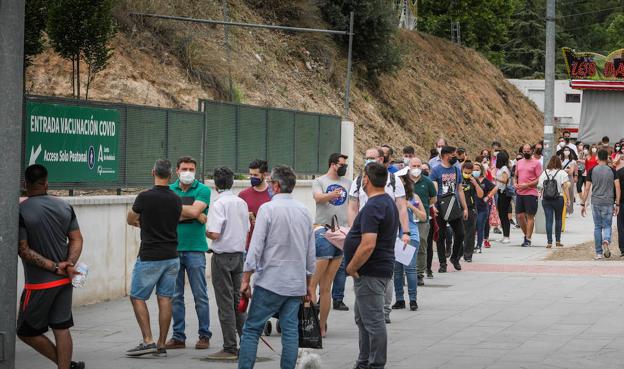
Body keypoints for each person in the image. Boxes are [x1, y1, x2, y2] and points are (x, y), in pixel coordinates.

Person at [238, 166, 315, 369]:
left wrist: (245, 279)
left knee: (252, 329)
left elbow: (255, 247)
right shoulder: (305, 211)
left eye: (271, 182)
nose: (270, 185)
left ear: (277, 185)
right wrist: (308, 284)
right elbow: (310, 253)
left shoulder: (267, 209)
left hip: (270, 281)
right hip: (295, 283)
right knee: (290, 331)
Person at [17, 164, 85, 369]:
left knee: (25, 331)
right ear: (46, 183)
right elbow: (77, 239)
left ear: (24, 184)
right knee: (61, 328)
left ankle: (66, 365)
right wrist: (69, 264)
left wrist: (56, 267)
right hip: (65, 279)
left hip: (39, 285)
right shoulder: (64, 206)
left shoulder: (20, 210)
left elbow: (24, 250)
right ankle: (67, 366)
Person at [344, 162, 399, 369]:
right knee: (363, 318)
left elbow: (368, 244)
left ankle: (375, 364)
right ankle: (364, 361)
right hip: (376, 270)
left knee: (374, 322)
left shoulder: (375, 206)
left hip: (370, 272)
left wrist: (351, 267)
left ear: (366, 179)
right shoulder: (386, 202)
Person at [126, 159, 182, 357]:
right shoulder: (176, 199)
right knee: (165, 298)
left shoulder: (144, 197)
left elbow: (130, 218)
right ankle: (161, 344)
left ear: (153, 172)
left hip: (150, 255)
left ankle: (148, 340)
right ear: (171, 175)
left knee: (137, 296)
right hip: (172, 256)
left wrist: (143, 224)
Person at [348, 147, 409, 324]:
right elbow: (352, 206)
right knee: (364, 268)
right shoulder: (359, 180)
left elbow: (401, 206)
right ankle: (365, 307)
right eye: (366, 157)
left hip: (386, 231)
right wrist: (353, 231)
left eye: (372, 158)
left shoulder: (393, 180)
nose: (368, 160)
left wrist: (405, 232)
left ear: (381, 159)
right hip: (364, 230)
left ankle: (384, 310)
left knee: (385, 270)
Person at [167, 156, 212, 350]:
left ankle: (204, 335)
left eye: (191, 169)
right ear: (177, 171)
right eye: (184, 168)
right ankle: (178, 336)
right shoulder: (168, 190)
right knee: (175, 296)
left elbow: (194, 213)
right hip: (173, 248)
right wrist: (193, 213)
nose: (188, 172)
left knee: (200, 294)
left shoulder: (203, 190)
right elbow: (193, 213)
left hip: (195, 249)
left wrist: (181, 212)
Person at [205, 167, 250, 360]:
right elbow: (246, 227)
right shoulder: (241, 202)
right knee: (238, 302)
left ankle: (230, 347)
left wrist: (206, 230)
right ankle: (247, 342)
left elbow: (215, 233)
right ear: (232, 182)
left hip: (222, 257)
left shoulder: (218, 204)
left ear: (215, 185)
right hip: (239, 256)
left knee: (224, 303)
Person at [311, 153, 352, 335]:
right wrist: (331, 195)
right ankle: (311, 321)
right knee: (313, 285)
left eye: (345, 164)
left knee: (326, 287)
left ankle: (321, 326)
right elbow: (318, 198)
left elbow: (352, 204)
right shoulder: (320, 181)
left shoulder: (348, 183)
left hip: (341, 234)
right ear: (333, 164)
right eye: (341, 164)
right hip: (323, 231)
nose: (344, 167)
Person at [430, 146, 469, 272]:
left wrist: (465, 208)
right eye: (453, 154)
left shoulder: (457, 170)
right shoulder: (436, 171)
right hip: (440, 206)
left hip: (454, 205)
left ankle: (454, 257)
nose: (455, 157)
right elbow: (433, 191)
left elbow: (459, 190)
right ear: (446, 155)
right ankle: (442, 263)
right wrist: (433, 206)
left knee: (461, 233)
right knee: (440, 236)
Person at [393, 167, 427, 311]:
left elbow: (424, 217)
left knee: (410, 269)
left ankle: (413, 300)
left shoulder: (414, 197)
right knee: (397, 270)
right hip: (395, 236)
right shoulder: (392, 197)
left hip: (411, 235)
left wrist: (411, 207)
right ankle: (399, 299)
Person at [581, 149, 621, 259]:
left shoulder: (592, 170)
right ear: (607, 158)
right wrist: (617, 204)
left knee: (597, 227)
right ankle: (606, 240)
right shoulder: (612, 171)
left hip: (596, 202)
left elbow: (587, 188)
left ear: (598, 157)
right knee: (607, 225)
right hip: (608, 202)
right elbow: (617, 187)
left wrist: (583, 203)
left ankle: (598, 253)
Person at [409, 157, 437, 283]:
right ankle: (407, 271)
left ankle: (419, 273)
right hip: (407, 218)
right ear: (409, 166)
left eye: (418, 166)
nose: (416, 168)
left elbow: (433, 199)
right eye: (413, 166)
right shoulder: (404, 181)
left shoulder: (427, 182)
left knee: (421, 244)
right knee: (407, 245)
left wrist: (423, 206)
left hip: (422, 219)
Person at [239, 160, 272, 251]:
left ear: (264, 175)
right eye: (251, 175)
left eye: (256, 175)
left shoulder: (273, 195)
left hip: (268, 247)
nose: (252, 177)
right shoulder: (243, 195)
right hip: (249, 246)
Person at [538, 156, 570, 248]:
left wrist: (540, 197)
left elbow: (540, 186)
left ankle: (549, 242)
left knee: (549, 220)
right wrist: (568, 199)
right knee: (558, 219)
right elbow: (565, 187)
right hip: (558, 198)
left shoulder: (544, 173)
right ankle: (558, 241)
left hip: (546, 199)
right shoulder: (562, 172)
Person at [514, 144, 542, 247]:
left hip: (531, 192)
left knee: (530, 216)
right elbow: (515, 176)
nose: (526, 153)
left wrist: (528, 185)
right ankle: (526, 235)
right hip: (520, 192)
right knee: (520, 216)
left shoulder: (537, 163)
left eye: (528, 151)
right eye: (524, 151)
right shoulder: (519, 162)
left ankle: (528, 239)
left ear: (532, 151)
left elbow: (539, 179)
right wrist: (514, 183)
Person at [461, 161, 484, 262]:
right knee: (459, 232)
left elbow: (480, 195)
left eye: (469, 173)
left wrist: (475, 184)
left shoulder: (474, 180)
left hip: (471, 208)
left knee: (470, 233)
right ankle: (458, 252)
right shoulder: (458, 179)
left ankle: (468, 255)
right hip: (459, 208)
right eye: (465, 172)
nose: (467, 174)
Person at [473, 162, 497, 253]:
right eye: (474, 169)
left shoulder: (485, 180)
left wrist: (488, 197)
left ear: (481, 170)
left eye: (477, 170)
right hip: (472, 207)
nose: (475, 171)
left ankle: (479, 246)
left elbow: (495, 188)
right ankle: (471, 245)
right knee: (472, 228)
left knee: (480, 226)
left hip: (482, 208)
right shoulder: (470, 180)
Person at [494, 151, 513, 244]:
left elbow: (505, 180)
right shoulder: (501, 168)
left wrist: (495, 178)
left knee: (504, 215)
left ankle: (507, 236)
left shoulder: (504, 168)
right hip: (500, 192)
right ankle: (504, 235)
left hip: (504, 193)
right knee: (501, 214)